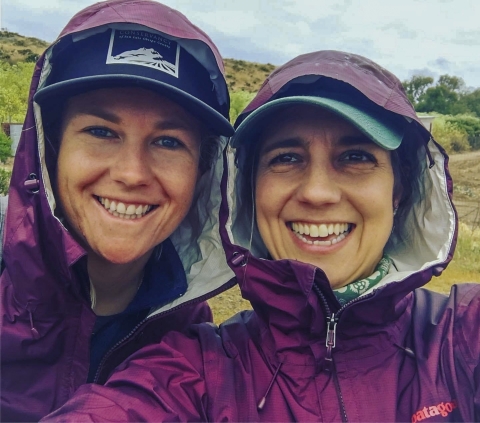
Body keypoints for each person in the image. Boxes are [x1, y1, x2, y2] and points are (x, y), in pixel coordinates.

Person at [43, 51, 479, 422]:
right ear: (247, 193)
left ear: (399, 192)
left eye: (356, 157)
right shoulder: (193, 370)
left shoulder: (463, 336)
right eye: (286, 157)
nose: (317, 192)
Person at [0, 0, 238, 421]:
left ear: (203, 172)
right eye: (100, 131)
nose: (132, 173)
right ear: (49, 150)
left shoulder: (188, 332)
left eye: (168, 141)